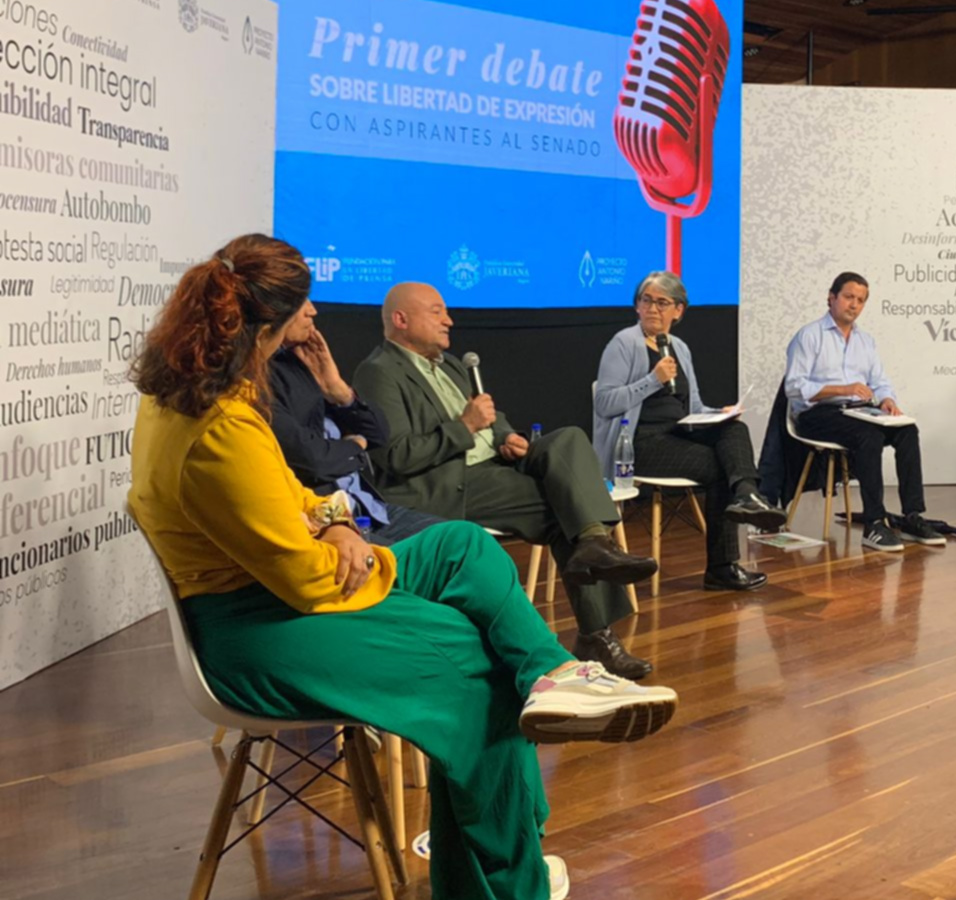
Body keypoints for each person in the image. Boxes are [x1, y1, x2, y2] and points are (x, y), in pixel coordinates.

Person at [129, 234, 677, 900]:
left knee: (463, 546)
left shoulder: (194, 397)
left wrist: (334, 519)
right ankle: (511, 880)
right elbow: (308, 579)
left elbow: (289, 492)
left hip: (280, 585)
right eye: (305, 309)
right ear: (267, 327)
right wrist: (365, 554)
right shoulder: (223, 426)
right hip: (257, 626)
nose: (314, 319)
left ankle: (555, 673)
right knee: (478, 664)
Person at [352, 282, 658, 680]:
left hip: (494, 465)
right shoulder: (378, 372)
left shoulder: (451, 365)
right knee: (566, 505)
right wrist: (465, 427)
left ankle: (594, 545)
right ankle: (596, 626)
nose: (449, 320)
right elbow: (396, 456)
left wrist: (506, 436)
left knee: (567, 439)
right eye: (437, 311)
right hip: (445, 482)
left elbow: (492, 418)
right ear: (401, 319)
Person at [594, 272, 787, 591]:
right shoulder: (623, 343)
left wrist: (718, 414)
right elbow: (604, 403)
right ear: (637, 306)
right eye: (646, 300)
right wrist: (652, 380)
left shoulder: (679, 348)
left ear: (678, 310)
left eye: (661, 302)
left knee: (734, 429)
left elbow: (693, 405)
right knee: (719, 467)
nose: (652, 308)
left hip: (679, 433)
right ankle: (722, 567)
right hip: (640, 442)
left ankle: (747, 496)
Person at [783, 271, 945, 552]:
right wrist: (841, 389)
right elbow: (794, 387)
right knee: (868, 436)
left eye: (860, 300)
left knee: (907, 430)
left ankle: (912, 516)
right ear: (831, 298)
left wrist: (886, 400)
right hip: (817, 414)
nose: (854, 305)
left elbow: (880, 382)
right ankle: (874, 523)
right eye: (849, 297)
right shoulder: (809, 336)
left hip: (857, 412)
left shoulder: (865, 341)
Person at [268, 300, 445, 546]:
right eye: (300, 302)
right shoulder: (258, 379)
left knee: (467, 539)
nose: (313, 311)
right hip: (329, 522)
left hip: (371, 509)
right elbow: (312, 460)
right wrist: (356, 447)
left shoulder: (303, 358)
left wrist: (339, 391)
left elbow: (377, 434)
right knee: (448, 555)